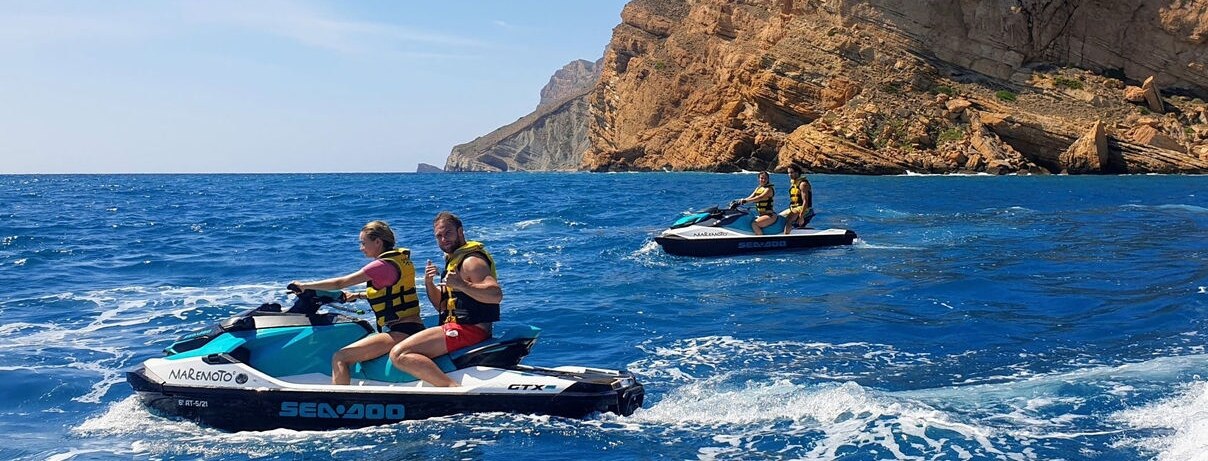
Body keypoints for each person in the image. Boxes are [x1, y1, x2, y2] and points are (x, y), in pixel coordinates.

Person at [289, 220, 422, 385]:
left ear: (378, 242)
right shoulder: (400, 260)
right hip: (411, 326)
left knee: (340, 357)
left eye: (363, 243)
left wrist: (304, 286)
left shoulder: (380, 265)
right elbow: (392, 292)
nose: (361, 247)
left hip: (400, 331)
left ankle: (338, 404)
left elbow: (340, 283)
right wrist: (357, 295)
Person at [388, 211, 502, 387]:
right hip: (456, 326)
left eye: (447, 233)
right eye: (439, 236)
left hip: (470, 330)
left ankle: (452, 389)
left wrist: (463, 285)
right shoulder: (453, 260)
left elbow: (496, 295)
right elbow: (440, 307)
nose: (443, 239)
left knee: (399, 354)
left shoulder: (471, 261)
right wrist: (429, 283)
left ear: (460, 231)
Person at [736, 171, 776, 235]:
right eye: (762, 178)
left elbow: (759, 197)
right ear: (758, 179)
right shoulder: (758, 188)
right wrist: (739, 201)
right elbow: (751, 197)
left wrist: (745, 201)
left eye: (765, 178)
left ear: (768, 179)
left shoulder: (769, 189)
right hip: (761, 215)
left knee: (754, 224)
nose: (763, 180)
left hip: (769, 215)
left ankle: (761, 241)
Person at [779, 166, 815, 234]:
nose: (790, 175)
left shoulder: (803, 184)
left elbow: (805, 201)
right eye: (788, 173)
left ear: (797, 172)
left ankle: (786, 237)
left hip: (803, 208)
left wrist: (801, 216)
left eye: (792, 173)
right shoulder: (793, 183)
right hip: (794, 207)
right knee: (779, 217)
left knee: (789, 219)